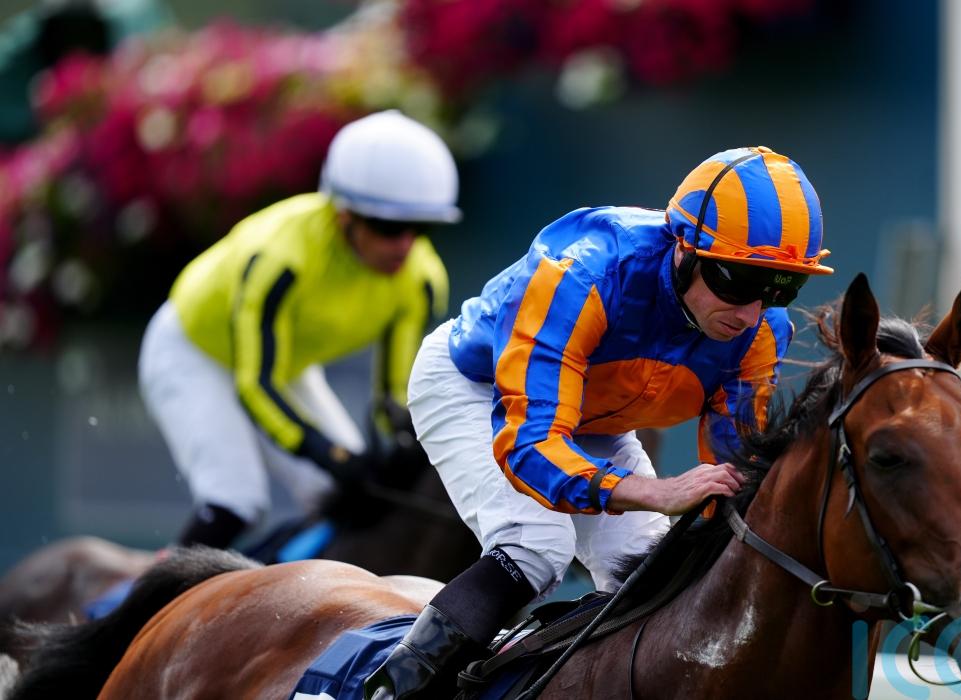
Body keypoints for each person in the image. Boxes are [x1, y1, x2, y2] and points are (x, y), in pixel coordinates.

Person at [364, 146, 834, 698]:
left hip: (594, 418)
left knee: (651, 573)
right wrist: (652, 491)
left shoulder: (760, 332)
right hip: (477, 386)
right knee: (536, 545)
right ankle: (388, 692)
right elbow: (530, 446)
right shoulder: (582, 272)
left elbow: (736, 471)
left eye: (780, 288)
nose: (752, 312)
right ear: (684, 249)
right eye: (738, 281)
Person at [138, 110, 456, 550]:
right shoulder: (279, 258)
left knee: (352, 498)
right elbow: (255, 385)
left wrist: (404, 445)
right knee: (235, 501)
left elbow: (393, 394)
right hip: (192, 351)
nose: (405, 244)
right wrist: (328, 453)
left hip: (284, 365)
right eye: (387, 226)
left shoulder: (420, 280)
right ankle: (144, 595)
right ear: (343, 216)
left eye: (421, 227)